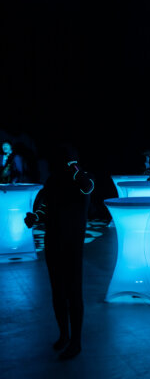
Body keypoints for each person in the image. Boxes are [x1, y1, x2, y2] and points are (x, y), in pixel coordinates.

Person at [25, 144, 94, 360]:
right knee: (58, 292)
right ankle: (64, 335)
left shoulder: (80, 179)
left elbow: (88, 187)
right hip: (53, 243)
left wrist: (74, 167)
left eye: (69, 158)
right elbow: (45, 207)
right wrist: (36, 217)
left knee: (73, 293)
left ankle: (76, 342)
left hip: (72, 245)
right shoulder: (53, 181)